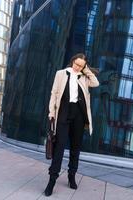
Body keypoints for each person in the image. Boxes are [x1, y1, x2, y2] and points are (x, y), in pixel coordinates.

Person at [44, 53, 99, 196]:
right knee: (59, 148)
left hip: (79, 116)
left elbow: (96, 83)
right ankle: (52, 181)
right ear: (72, 61)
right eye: (76, 64)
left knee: (75, 148)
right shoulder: (61, 74)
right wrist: (51, 113)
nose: (77, 67)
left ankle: (71, 176)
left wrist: (86, 70)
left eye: (81, 65)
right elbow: (54, 93)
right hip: (63, 113)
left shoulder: (85, 77)